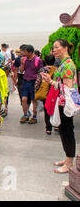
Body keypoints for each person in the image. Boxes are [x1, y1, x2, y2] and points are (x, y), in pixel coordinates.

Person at [41, 39, 77, 174]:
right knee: (63, 129)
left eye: (56, 47)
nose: (53, 50)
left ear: (65, 48)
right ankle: (67, 158)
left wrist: (50, 81)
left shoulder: (68, 64)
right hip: (61, 101)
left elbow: (68, 87)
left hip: (65, 103)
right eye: (53, 48)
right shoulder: (64, 63)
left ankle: (69, 164)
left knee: (67, 130)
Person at [19, 45, 43, 124]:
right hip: (25, 81)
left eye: (25, 51)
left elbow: (41, 72)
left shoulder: (38, 60)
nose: (23, 53)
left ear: (30, 52)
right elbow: (21, 71)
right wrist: (22, 63)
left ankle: (34, 116)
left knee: (34, 100)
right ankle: (25, 115)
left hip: (34, 82)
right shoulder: (24, 59)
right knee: (24, 99)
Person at [35, 54, 57, 135]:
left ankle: (48, 128)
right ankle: (56, 125)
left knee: (47, 109)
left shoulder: (42, 70)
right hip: (55, 91)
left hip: (45, 92)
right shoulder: (57, 70)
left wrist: (36, 89)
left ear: (45, 61)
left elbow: (38, 81)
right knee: (55, 108)